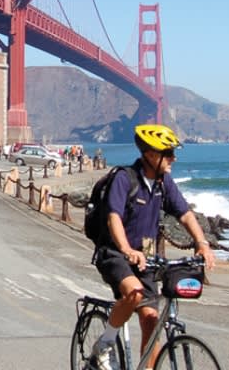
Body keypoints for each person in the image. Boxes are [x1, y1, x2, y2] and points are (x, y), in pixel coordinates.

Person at [90, 124, 217, 370]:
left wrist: (202, 244)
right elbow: (113, 218)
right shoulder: (124, 178)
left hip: (146, 259)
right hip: (114, 253)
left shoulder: (163, 182)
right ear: (150, 154)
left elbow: (185, 214)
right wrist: (126, 249)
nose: (173, 158)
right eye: (168, 153)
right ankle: (104, 344)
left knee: (152, 320)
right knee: (134, 293)